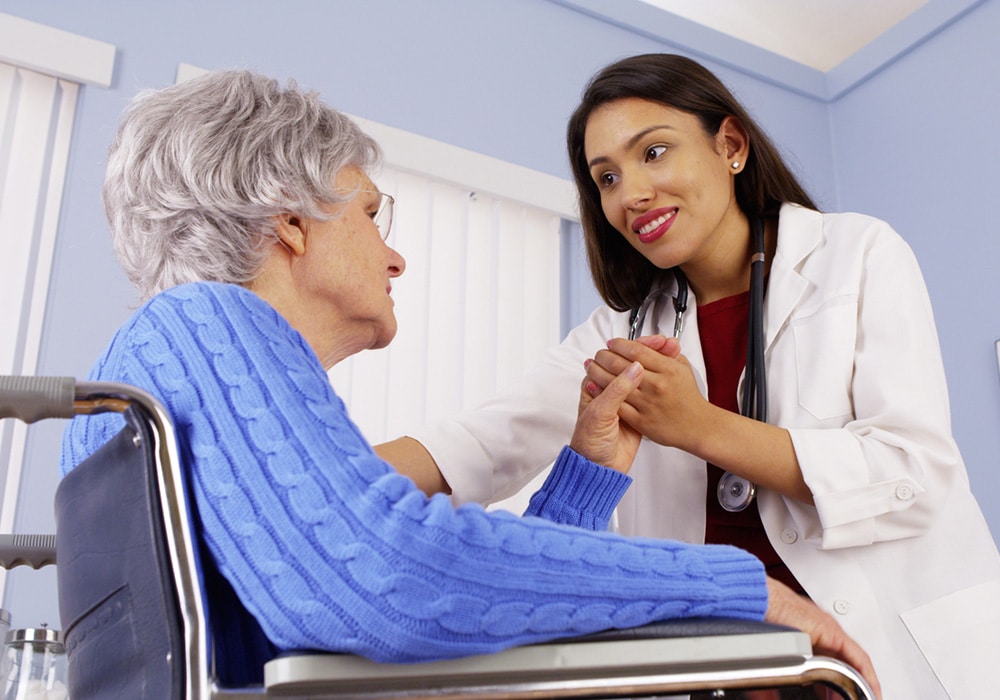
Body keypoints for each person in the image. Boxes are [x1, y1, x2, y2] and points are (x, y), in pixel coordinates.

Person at [58, 69, 878, 694]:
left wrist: (589, 477)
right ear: (292, 221)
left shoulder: (168, 361)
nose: (393, 254)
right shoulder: (207, 324)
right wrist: (740, 588)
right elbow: (389, 575)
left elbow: (452, 612)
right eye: (371, 214)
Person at [377, 54, 1000, 699]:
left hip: (901, 660)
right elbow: (481, 441)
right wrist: (321, 481)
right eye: (607, 177)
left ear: (730, 145)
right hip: (735, 676)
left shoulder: (857, 255)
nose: (630, 195)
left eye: (653, 153)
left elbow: (914, 472)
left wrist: (700, 427)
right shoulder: (618, 332)